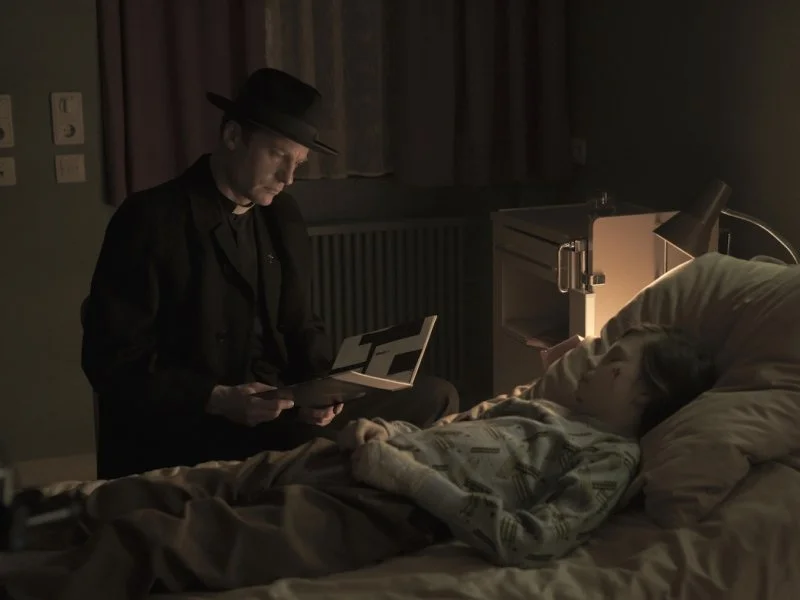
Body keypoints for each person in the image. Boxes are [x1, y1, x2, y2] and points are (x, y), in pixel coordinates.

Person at [5, 323, 716, 600]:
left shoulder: (608, 458)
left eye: (618, 362)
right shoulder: (545, 409)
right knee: (184, 489)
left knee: (172, 541)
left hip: (382, 507)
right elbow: (454, 438)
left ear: (645, 395)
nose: (597, 360)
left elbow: (527, 541)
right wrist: (385, 432)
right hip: (355, 460)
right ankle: (27, 518)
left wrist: (404, 474)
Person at [80, 68, 459, 479]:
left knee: (436, 397)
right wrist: (218, 398)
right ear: (232, 136)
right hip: (200, 421)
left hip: (284, 403)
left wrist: (325, 388)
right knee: (330, 455)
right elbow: (111, 362)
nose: (288, 178)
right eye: (278, 155)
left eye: (299, 162)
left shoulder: (283, 215)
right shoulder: (150, 219)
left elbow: (301, 324)